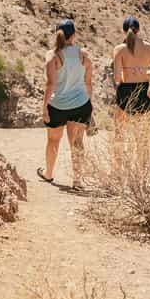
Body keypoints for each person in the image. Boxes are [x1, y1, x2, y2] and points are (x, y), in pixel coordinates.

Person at [37, 20, 93, 191]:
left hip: (58, 105)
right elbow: (88, 83)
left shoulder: (52, 55)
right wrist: (90, 104)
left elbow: (50, 84)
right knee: (77, 142)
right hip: (80, 104)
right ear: (74, 35)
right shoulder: (84, 55)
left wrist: (44, 106)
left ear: (57, 34)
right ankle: (77, 181)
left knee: (53, 140)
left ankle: (48, 174)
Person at [113, 17, 150, 131]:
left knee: (120, 131)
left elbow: (117, 78)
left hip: (125, 91)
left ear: (124, 31)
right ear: (139, 30)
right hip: (143, 91)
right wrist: (144, 74)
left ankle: (119, 150)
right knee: (141, 133)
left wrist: (127, 75)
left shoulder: (119, 49)